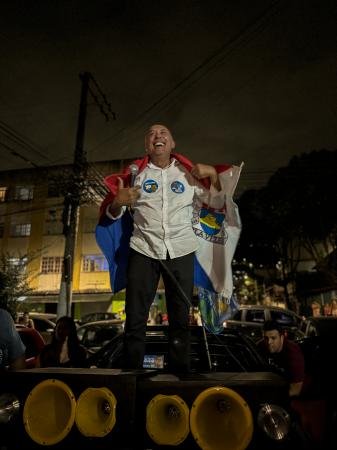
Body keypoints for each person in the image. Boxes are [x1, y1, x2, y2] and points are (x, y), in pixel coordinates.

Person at [100, 124, 226, 372]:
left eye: (163, 133)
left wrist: (213, 175)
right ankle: (131, 375)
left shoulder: (189, 173)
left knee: (180, 318)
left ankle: (179, 374)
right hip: (143, 249)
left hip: (181, 250)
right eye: (151, 134)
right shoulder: (135, 175)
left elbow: (218, 201)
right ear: (147, 146)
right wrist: (117, 202)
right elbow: (112, 215)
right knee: (135, 318)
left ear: (172, 143)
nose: (158, 136)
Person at [257, 320, 305, 397]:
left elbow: (296, 390)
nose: (269, 342)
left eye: (273, 338)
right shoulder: (262, 345)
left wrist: (272, 396)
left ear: (282, 337)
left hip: (291, 394)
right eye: (266, 338)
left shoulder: (293, 353)